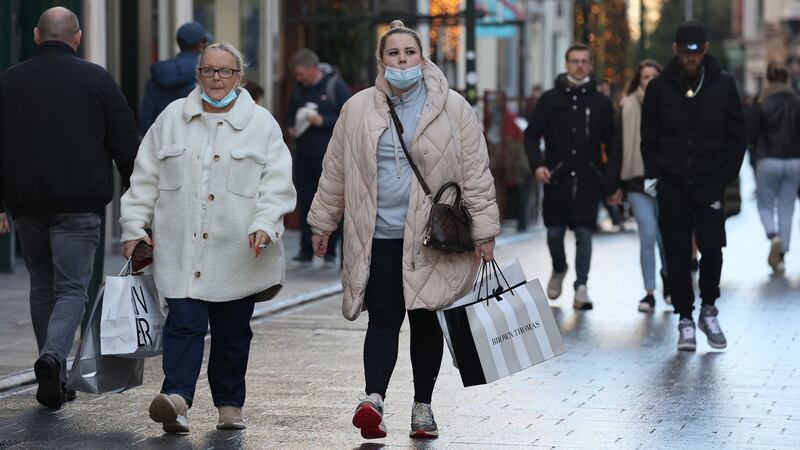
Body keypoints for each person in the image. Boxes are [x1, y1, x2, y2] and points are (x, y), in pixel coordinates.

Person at [307, 20, 500, 440]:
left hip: (432, 236)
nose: (401, 61)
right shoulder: (357, 108)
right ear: (381, 61)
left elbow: (475, 173)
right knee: (383, 317)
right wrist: (323, 220)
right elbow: (336, 169)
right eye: (393, 54)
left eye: (409, 53)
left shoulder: (454, 107)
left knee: (426, 319)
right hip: (377, 234)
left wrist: (485, 232)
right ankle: (373, 400)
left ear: (422, 57)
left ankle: (423, 407)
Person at [120, 43, 296, 433]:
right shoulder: (170, 119)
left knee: (233, 332)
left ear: (239, 77)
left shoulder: (262, 124)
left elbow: (278, 183)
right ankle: (177, 398)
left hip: (239, 253)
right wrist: (133, 226)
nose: (217, 78)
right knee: (184, 322)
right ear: (198, 75)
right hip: (183, 250)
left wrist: (266, 223)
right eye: (209, 71)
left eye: (225, 72)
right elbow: (144, 177)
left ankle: (230, 404)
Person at [0, 7, 139, 409]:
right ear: (76, 37)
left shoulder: (9, 82)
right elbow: (125, 144)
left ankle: (55, 376)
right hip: (79, 206)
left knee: (42, 287)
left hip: (27, 205)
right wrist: (138, 200)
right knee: (73, 289)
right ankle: (52, 358)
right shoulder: (96, 80)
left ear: (36, 35)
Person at [641, 21, 746, 351]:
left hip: (709, 182)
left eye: (696, 51)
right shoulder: (659, 87)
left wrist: (723, 175)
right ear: (675, 50)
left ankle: (709, 309)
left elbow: (737, 135)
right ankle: (685, 318)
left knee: (712, 248)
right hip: (672, 183)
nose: (690, 58)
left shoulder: (724, 85)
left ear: (705, 50)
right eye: (685, 51)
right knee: (675, 252)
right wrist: (658, 171)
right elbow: (649, 136)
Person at [524, 43, 619, 310]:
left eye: (584, 61)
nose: (579, 65)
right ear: (567, 64)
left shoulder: (600, 103)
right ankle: (559, 267)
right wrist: (538, 165)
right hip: (557, 178)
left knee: (584, 235)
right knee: (554, 233)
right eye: (574, 61)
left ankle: (582, 287)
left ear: (590, 65)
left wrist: (611, 182)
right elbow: (531, 135)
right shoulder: (551, 99)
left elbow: (613, 145)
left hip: (589, 180)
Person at [287, 49, 352, 267]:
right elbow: (290, 115)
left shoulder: (335, 87)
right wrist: (292, 127)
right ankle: (306, 251)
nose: (298, 78)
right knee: (306, 202)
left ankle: (330, 252)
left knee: (330, 204)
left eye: (300, 73)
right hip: (304, 156)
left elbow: (349, 117)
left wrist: (322, 120)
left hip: (329, 159)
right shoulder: (299, 90)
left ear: (312, 69)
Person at [613, 59, 669, 312]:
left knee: (666, 236)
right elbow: (618, 145)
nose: (649, 81)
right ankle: (649, 292)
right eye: (645, 76)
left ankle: (670, 279)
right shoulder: (627, 106)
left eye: (653, 76)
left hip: (667, 181)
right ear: (639, 80)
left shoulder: (671, 105)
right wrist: (615, 184)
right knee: (647, 234)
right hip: (636, 180)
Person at [748, 62, 800, 274]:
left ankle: (773, 234)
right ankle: (782, 255)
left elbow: (751, 134)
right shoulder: (797, 102)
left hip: (768, 158)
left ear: (768, 79)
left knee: (765, 204)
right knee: (787, 206)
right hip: (794, 160)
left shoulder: (761, 103)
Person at [138, 21, 212, 134]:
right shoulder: (205, 76)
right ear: (200, 45)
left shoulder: (158, 75)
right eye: (205, 43)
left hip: (161, 143)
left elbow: (145, 120)